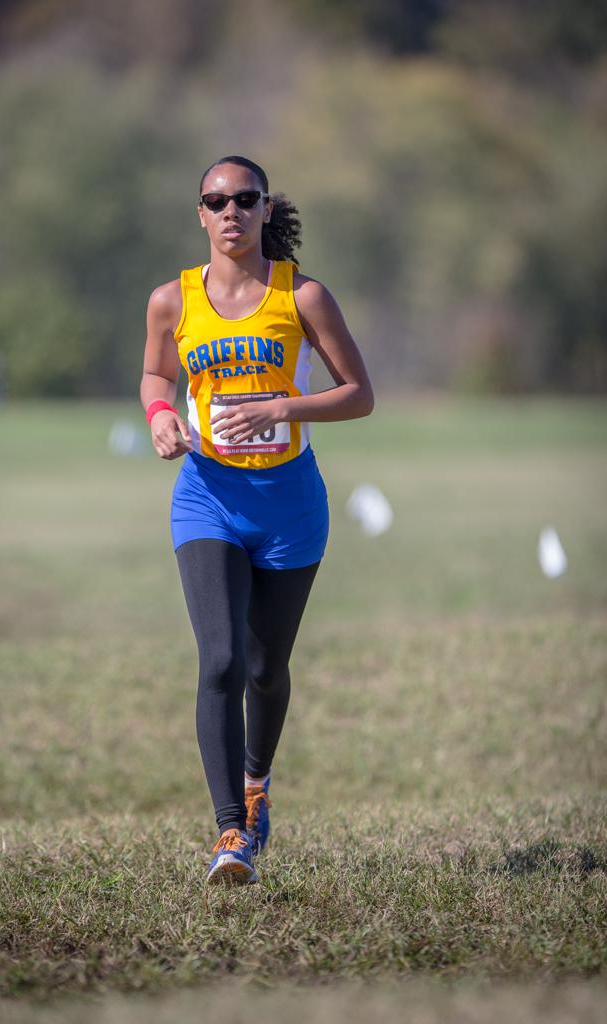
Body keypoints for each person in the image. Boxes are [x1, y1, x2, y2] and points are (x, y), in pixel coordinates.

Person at [140, 155, 374, 885]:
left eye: (246, 199)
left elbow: (359, 394)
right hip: (206, 496)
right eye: (217, 200)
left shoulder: (301, 295)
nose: (231, 211)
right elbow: (157, 375)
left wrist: (283, 407)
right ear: (200, 214)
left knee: (267, 670)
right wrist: (158, 417)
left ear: (266, 209)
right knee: (220, 662)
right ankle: (230, 836)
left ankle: (256, 780)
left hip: (289, 508)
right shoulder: (171, 301)